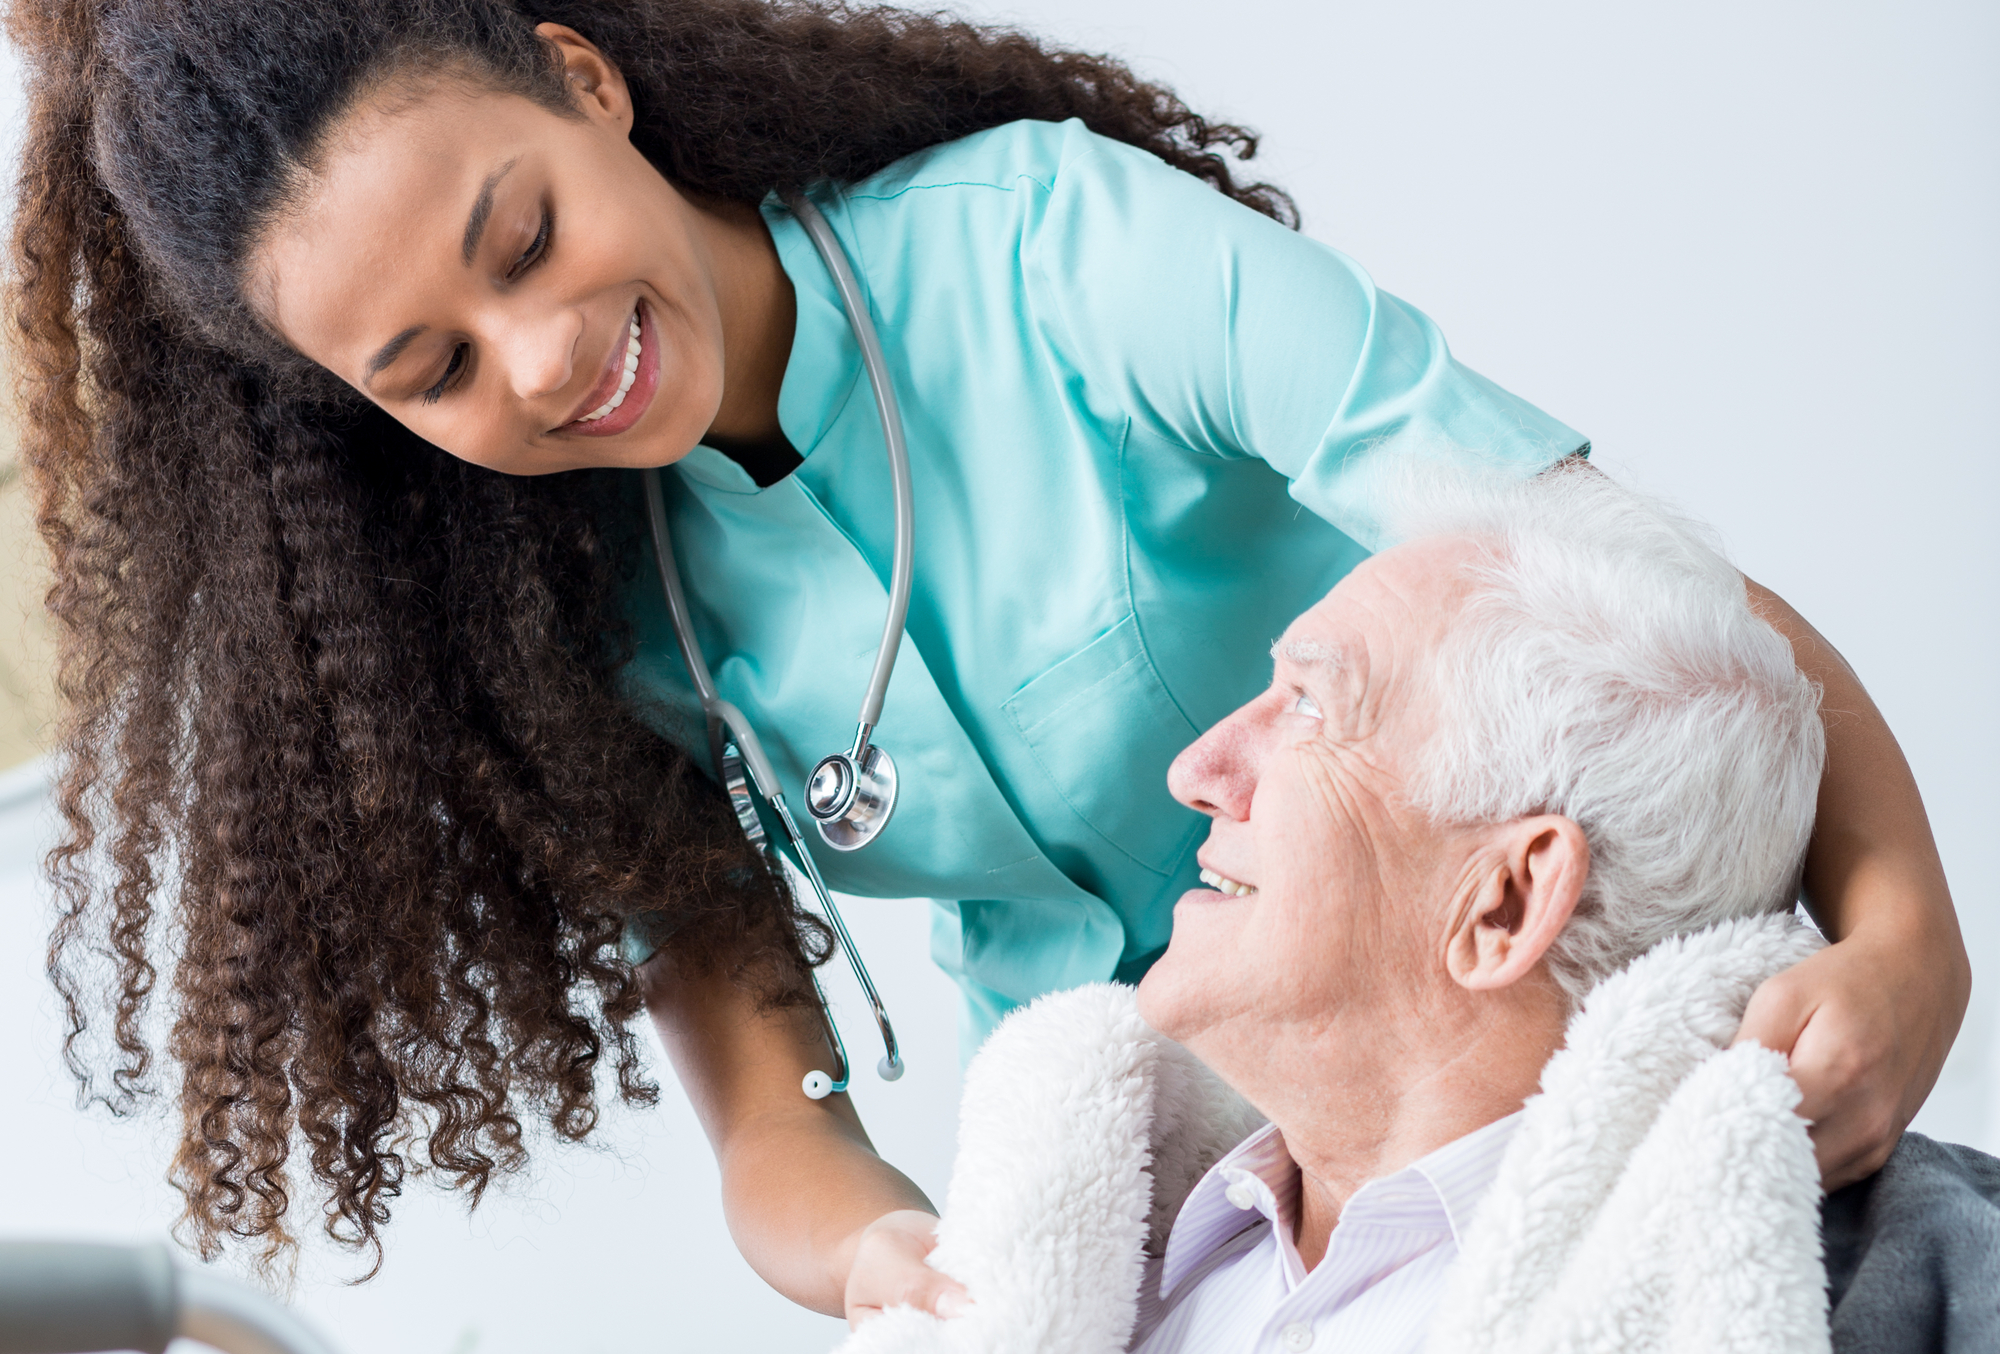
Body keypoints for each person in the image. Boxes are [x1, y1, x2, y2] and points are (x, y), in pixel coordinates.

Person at [4, 0, 1965, 1323]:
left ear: (585, 82)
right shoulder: (603, 624)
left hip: (1479, 1066)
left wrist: (1900, 939)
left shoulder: (1058, 256)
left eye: (518, 237)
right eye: (425, 367)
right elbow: (775, 1130)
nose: (532, 361)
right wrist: (904, 1260)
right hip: (1180, 1211)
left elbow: (1648, 596)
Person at [831, 462, 2000, 1354]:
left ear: (1500, 900)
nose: (1194, 768)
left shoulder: (1884, 1283)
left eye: (1305, 706)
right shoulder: (1086, 1266)